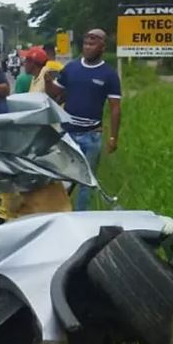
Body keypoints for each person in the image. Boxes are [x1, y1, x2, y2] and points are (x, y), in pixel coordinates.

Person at [45, 28, 122, 211]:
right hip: (68, 135)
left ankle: (82, 216)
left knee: (87, 182)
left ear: (102, 47)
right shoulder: (71, 68)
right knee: (62, 178)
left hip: (92, 136)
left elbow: (115, 108)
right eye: (86, 43)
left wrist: (113, 137)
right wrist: (48, 82)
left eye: (92, 44)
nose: (87, 47)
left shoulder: (109, 75)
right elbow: (56, 93)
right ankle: (60, 212)